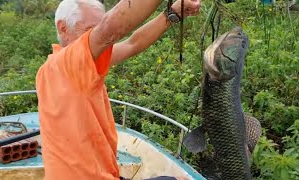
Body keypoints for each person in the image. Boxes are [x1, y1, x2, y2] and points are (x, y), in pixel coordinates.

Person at [35, 0, 201, 180]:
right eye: (91, 30)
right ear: (63, 28)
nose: (99, 37)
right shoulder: (65, 65)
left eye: (98, 29)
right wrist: (105, 31)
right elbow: (110, 29)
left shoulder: (70, 66)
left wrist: (173, 14)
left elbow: (132, 44)